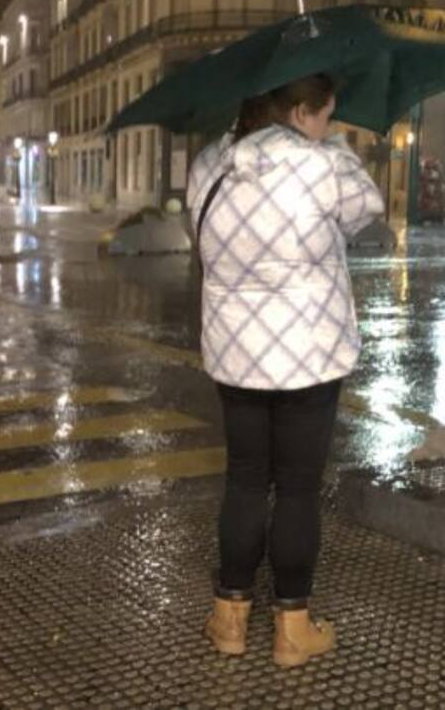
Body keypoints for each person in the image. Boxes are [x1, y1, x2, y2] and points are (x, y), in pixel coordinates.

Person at [188, 74, 384, 667]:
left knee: (245, 477)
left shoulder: (210, 165)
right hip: (309, 352)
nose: (330, 127)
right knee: (297, 487)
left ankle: (229, 618)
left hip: (235, 351)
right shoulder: (325, 163)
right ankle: (292, 629)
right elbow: (366, 211)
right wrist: (334, 150)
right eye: (327, 116)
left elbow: (195, 234)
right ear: (302, 112)